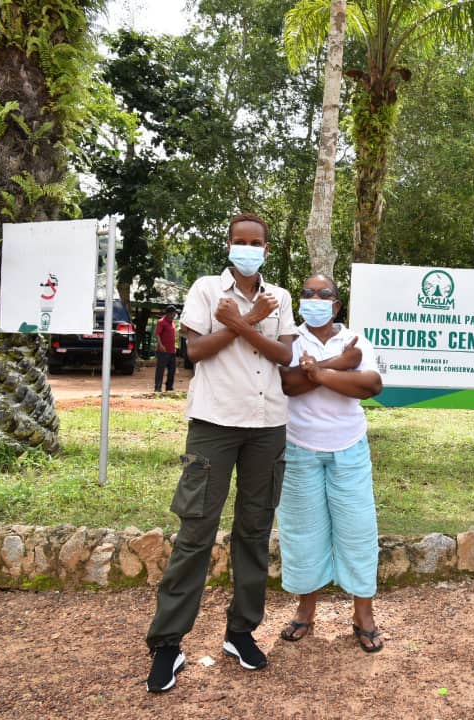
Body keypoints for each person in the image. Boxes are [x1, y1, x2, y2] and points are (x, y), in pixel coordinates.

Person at [145, 213, 297, 693]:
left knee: (254, 530)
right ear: (229, 245)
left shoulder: (281, 298)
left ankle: (241, 631)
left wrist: (246, 322)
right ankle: (168, 642)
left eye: (256, 242)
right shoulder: (207, 290)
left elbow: (285, 357)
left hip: (268, 426)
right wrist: (244, 322)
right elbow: (196, 351)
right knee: (196, 530)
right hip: (214, 423)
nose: (247, 248)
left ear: (266, 250)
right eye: (239, 241)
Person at [276, 274, 384, 652]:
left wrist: (318, 372)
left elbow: (370, 386)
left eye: (325, 295)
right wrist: (340, 366)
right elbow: (288, 384)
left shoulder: (355, 340)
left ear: (337, 305)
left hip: (349, 447)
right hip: (298, 447)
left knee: (358, 530)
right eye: (307, 294)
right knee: (302, 532)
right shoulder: (290, 339)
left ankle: (363, 615)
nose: (315, 299)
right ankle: (305, 611)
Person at [154, 305, 178, 392]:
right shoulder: (161, 322)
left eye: (174, 314)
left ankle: (169, 388)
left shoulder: (172, 322)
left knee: (172, 370)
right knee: (160, 370)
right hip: (163, 351)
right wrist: (160, 345)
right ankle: (157, 388)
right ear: (168, 314)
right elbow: (157, 334)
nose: (173, 316)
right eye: (172, 314)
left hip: (172, 351)